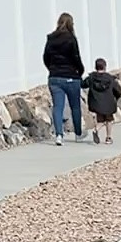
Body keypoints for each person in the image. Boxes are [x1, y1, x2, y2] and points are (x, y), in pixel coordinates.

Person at [43, 12, 86, 145]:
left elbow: (45, 57)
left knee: (57, 107)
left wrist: (52, 69)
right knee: (75, 106)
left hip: (55, 77)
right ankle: (78, 134)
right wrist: (80, 71)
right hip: (71, 76)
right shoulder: (71, 39)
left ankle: (59, 135)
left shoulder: (50, 38)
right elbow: (76, 57)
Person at [81, 58, 121, 145]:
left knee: (100, 120)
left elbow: (83, 84)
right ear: (105, 67)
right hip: (108, 103)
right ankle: (108, 137)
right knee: (109, 120)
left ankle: (96, 129)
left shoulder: (91, 78)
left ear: (95, 67)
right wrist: (117, 97)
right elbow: (117, 89)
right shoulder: (110, 78)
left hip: (96, 104)